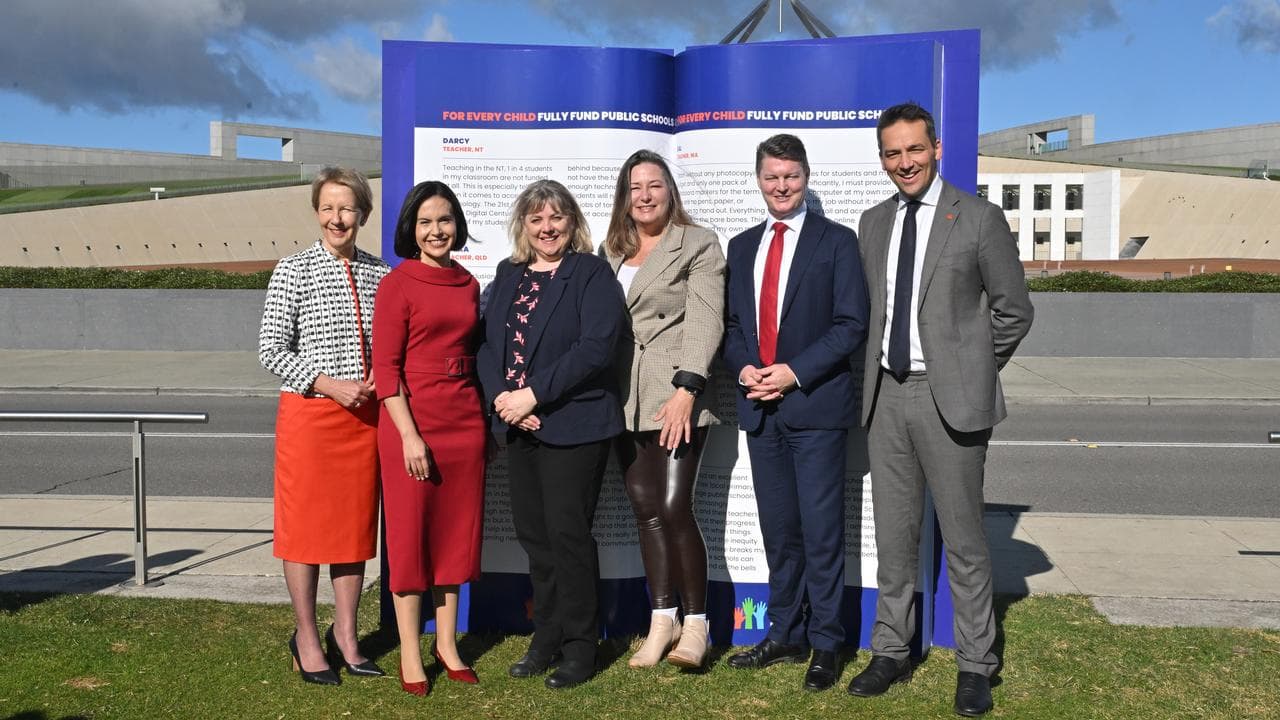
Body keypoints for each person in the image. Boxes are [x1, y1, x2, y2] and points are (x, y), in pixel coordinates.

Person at [846, 102, 1034, 717]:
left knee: (964, 541)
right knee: (893, 538)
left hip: (949, 399)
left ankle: (976, 663)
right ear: (882, 158)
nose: (905, 162)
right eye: (892, 153)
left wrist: (970, 370)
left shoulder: (978, 218)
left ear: (936, 149)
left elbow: (1014, 311)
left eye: (914, 149)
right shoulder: (873, 222)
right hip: (886, 396)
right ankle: (890, 651)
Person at [722, 134, 869, 692]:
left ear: (806, 177)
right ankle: (785, 632)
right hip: (760, 411)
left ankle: (827, 643)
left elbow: (851, 324)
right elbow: (733, 327)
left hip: (815, 408)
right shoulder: (741, 246)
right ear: (758, 180)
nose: (781, 186)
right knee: (779, 531)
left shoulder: (837, 241)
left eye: (791, 176)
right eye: (771, 177)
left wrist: (793, 371)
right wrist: (744, 370)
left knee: (822, 532)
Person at [476, 179, 627, 690]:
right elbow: (485, 346)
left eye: (556, 217)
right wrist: (504, 400)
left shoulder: (590, 273)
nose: (547, 227)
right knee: (535, 538)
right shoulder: (509, 273)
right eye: (536, 218)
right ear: (523, 224)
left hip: (574, 423)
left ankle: (582, 646)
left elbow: (596, 346)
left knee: (568, 536)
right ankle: (547, 636)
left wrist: (532, 396)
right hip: (519, 425)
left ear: (572, 221)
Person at [258, 166, 388, 686]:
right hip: (310, 418)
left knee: (353, 530)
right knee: (305, 531)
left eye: (347, 208)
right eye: (328, 208)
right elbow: (271, 349)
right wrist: (329, 384)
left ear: (363, 214)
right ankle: (307, 638)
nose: (337, 218)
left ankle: (347, 636)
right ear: (317, 212)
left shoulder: (381, 273)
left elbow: (391, 344)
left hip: (364, 422)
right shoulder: (293, 269)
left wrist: (382, 373)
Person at [600, 150, 725, 669]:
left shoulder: (698, 242)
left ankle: (696, 625)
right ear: (624, 197)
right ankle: (661, 619)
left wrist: (687, 390)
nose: (645, 195)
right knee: (644, 507)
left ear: (670, 191)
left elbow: (706, 318)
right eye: (635, 187)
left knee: (674, 506)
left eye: (654, 185)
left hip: (677, 394)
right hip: (624, 396)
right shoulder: (611, 251)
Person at [373, 181, 487, 697]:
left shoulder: (468, 283)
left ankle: (447, 644)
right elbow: (386, 369)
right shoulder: (397, 284)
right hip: (412, 421)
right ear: (411, 229)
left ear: (456, 224)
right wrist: (410, 436)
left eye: (444, 220)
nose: (436, 230)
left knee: (453, 537)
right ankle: (410, 652)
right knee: (410, 537)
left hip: (464, 420)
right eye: (425, 222)